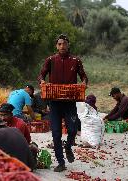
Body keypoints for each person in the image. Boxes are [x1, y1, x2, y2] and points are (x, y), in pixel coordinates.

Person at [38, 34, 88, 172]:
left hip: (70, 101)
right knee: (56, 133)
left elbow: (83, 76)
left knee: (72, 129)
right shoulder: (51, 60)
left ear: (68, 45)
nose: (62, 46)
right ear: (56, 46)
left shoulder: (75, 61)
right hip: (54, 102)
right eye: (59, 44)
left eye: (64, 44)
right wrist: (42, 81)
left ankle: (68, 147)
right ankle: (60, 162)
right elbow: (41, 74)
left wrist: (84, 83)